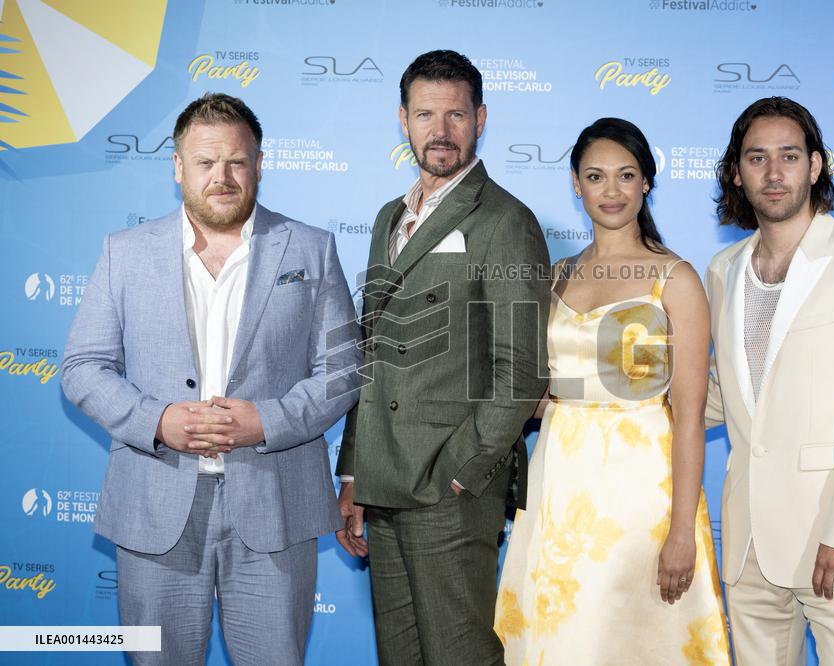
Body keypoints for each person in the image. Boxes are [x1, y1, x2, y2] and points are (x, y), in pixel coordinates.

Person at [61, 93, 361, 665]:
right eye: (204, 162)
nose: (221, 177)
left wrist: (266, 422)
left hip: (276, 509)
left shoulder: (311, 248)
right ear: (178, 167)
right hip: (155, 508)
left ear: (259, 163)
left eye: (236, 161)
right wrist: (158, 420)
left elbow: (343, 370)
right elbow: (82, 368)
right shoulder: (123, 253)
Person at [334, 50, 550, 665]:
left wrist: (465, 469)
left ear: (481, 118)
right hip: (383, 482)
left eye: (456, 114)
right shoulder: (388, 219)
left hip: (450, 492)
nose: (441, 130)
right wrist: (354, 474)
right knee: (399, 657)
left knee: (460, 656)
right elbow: (370, 353)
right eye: (426, 114)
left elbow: (524, 367)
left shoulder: (507, 220)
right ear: (403, 120)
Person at [495, 118, 731, 665]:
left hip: (641, 493)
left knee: (628, 639)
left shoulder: (675, 279)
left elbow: (689, 417)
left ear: (646, 182)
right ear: (575, 184)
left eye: (626, 175)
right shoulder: (556, 277)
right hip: (557, 483)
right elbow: (541, 390)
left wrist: (680, 535)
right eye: (596, 176)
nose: (611, 191)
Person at [706, 96, 834, 665]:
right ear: (736, 173)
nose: (774, 173)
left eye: (789, 156)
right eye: (756, 158)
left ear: (815, 166)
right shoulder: (722, 271)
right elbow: (725, 396)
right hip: (749, 545)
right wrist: (597, 403)